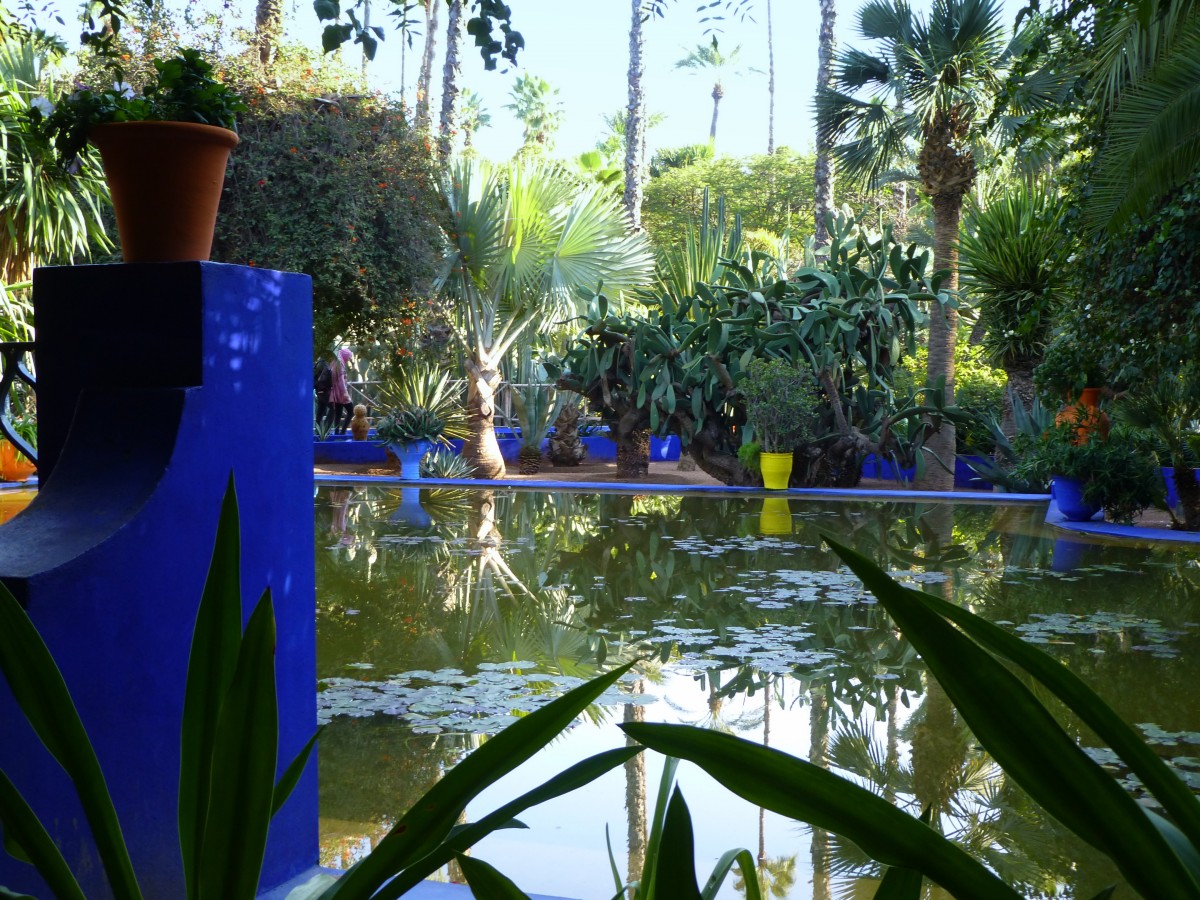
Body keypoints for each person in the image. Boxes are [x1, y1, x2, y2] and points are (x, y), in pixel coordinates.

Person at [327, 347, 354, 435]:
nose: (348, 359)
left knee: (338, 413)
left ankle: (337, 432)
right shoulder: (341, 364)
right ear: (345, 356)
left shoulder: (334, 363)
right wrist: (345, 392)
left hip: (335, 392)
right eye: (348, 357)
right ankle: (343, 431)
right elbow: (341, 381)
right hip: (341, 392)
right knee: (351, 411)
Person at [314, 356, 333, 431]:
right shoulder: (325, 365)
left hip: (318, 390)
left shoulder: (317, 365)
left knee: (320, 410)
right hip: (324, 390)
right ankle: (326, 428)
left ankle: (318, 430)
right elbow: (327, 379)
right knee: (332, 408)